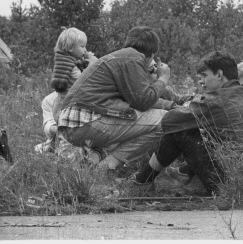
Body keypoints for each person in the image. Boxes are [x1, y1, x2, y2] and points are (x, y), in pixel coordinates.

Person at [126, 51, 243, 195]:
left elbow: (169, 121)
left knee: (182, 130)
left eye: (205, 75)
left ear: (219, 74)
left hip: (228, 184)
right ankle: (182, 173)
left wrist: (183, 107)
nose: (201, 81)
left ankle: (143, 180)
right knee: (199, 129)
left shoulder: (217, 99)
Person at [58, 26, 178, 174]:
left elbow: (135, 101)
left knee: (142, 118)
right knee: (167, 121)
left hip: (72, 123)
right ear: (152, 53)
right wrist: (163, 78)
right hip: (86, 121)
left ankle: (93, 166)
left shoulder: (121, 57)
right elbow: (144, 101)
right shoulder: (134, 58)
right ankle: (105, 168)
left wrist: (172, 104)